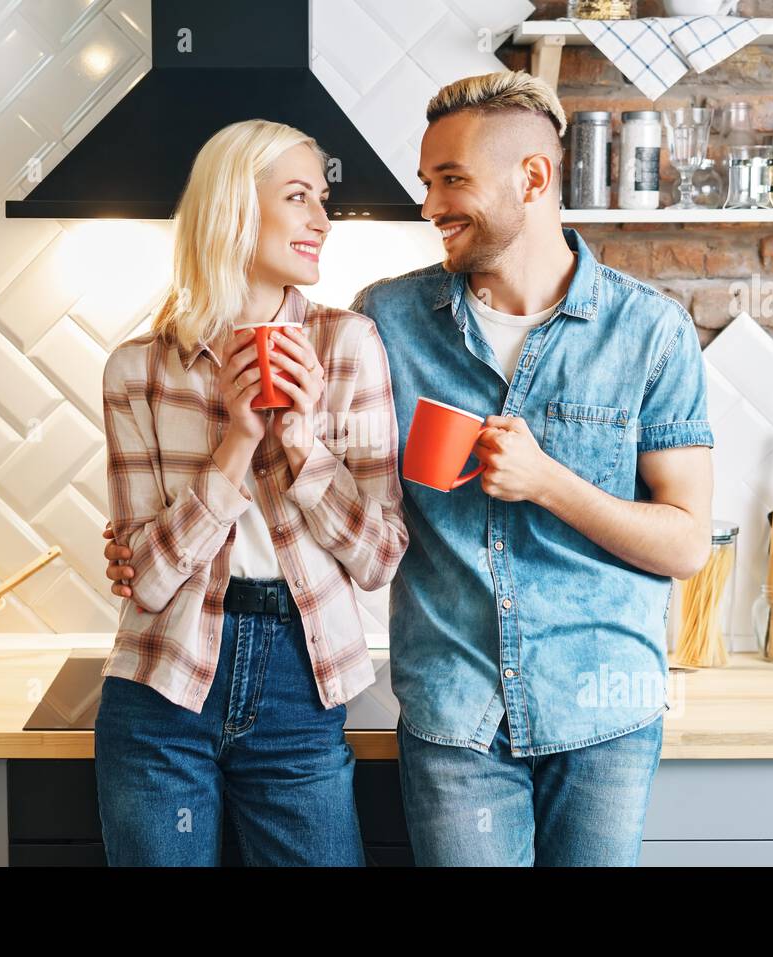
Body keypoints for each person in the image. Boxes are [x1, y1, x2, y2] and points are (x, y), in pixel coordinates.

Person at [108, 72, 715, 867]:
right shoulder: (388, 320)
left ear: (534, 177)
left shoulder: (651, 333)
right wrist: (221, 474)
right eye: (427, 182)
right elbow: (345, 517)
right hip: (453, 709)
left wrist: (547, 481)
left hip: (601, 707)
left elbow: (687, 544)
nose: (428, 205)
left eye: (451, 180)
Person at [96, 119, 407, 867]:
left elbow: (380, 556)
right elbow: (149, 580)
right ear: (234, 208)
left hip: (300, 682)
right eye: (297, 197)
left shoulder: (348, 345)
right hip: (161, 686)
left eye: (322, 198)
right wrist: (236, 443)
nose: (322, 220)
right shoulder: (136, 369)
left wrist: (302, 445)